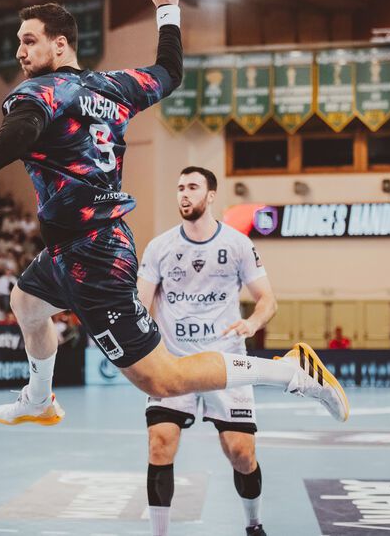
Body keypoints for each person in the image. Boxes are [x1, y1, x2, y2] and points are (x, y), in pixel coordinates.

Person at [0, 0, 348, 432]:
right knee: (25, 303)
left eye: (29, 40)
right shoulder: (114, 88)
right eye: (19, 42)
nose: (20, 52)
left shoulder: (41, 92)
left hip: (94, 255)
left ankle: (292, 373)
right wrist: (168, 7)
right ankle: (38, 399)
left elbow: (20, 132)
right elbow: (169, 71)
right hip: (72, 246)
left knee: (163, 379)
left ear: (60, 44)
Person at [137, 167, 273, 536]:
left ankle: (254, 525)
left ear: (211, 195)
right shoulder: (160, 247)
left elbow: (267, 300)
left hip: (225, 363)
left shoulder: (238, 245)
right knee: (160, 444)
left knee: (241, 453)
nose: (184, 194)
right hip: (174, 362)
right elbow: (140, 305)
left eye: (193, 187)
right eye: (180, 187)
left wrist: (253, 323)